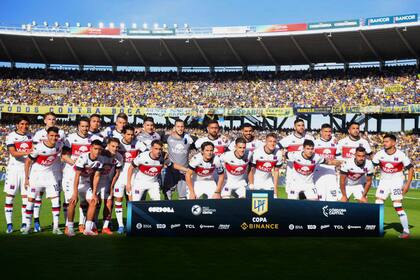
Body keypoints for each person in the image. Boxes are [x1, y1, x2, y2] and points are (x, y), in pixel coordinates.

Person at [62, 117, 101, 232]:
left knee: (86, 202)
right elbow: (64, 156)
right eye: (82, 126)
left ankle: (83, 225)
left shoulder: (93, 139)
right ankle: (68, 226)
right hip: (71, 175)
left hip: (85, 177)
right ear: (78, 126)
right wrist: (77, 163)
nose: (85, 128)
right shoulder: (70, 139)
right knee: (72, 201)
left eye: (86, 126)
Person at [372, 134, 414, 239]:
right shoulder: (379, 154)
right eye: (384, 141)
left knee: (397, 205)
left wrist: (407, 184)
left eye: (387, 141)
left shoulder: (401, 155)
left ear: (393, 143)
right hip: (383, 181)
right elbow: (372, 166)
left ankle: (406, 231)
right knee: (378, 203)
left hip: (397, 181)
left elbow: (410, 168)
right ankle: (378, 228)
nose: (384, 143)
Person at [23, 127, 63, 235]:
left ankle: (56, 227)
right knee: (31, 200)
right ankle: (27, 227)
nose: (54, 138)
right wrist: (26, 178)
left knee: (56, 199)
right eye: (51, 135)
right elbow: (27, 162)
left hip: (50, 175)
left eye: (56, 136)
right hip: (36, 175)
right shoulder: (39, 147)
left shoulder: (59, 145)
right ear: (47, 135)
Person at [32, 112, 66, 232]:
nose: (52, 121)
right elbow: (35, 152)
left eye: (54, 119)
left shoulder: (61, 133)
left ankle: (55, 223)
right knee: (38, 195)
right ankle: (36, 221)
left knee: (57, 196)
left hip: (56, 168)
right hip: (42, 169)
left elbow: (64, 150)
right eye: (49, 119)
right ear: (45, 121)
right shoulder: (38, 134)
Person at [65, 140, 104, 237]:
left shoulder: (101, 160)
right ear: (91, 148)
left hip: (86, 183)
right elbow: (77, 176)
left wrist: (94, 193)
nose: (97, 151)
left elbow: (96, 177)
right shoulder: (83, 157)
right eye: (95, 149)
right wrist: (75, 193)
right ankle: (69, 228)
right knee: (73, 201)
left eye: (99, 149)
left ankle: (87, 229)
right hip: (72, 181)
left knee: (93, 201)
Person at [87, 138, 123, 235]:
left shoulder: (119, 157)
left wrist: (111, 186)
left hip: (107, 182)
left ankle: (105, 227)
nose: (115, 149)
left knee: (109, 203)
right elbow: (92, 173)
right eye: (113, 146)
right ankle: (92, 226)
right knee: (94, 203)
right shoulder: (100, 154)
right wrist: (92, 187)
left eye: (117, 147)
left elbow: (117, 173)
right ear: (108, 145)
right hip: (95, 181)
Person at [4, 116, 33, 233]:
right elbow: (13, 153)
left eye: (26, 124)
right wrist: (28, 151)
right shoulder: (11, 136)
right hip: (13, 170)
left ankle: (24, 223)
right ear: (17, 125)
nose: (24, 126)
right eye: (22, 124)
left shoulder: (31, 136)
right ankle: (9, 225)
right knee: (10, 196)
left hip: (27, 170)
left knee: (26, 198)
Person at [113, 125, 143, 234]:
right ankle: (121, 225)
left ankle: (131, 224)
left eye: (132, 134)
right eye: (128, 134)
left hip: (133, 177)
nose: (130, 136)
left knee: (132, 201)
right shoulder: (118, 144)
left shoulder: (138, 143)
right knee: (118, 200)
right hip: (119, 177)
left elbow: (147, 152)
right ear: (123, 134)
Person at [279, 119, 314, 199]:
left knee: (308, 199)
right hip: (292, 173)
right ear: (294, 127)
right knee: (292, 199)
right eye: (299, 125)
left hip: (306, 173)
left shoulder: (309, 137)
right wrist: (283, 152)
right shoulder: (289, 138)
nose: (301, 127)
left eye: (302, 125)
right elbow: (278, 145)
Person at [162, 119, 195, 200]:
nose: (180, 128)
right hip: (171, 171)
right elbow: (155, 144)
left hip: (184, 172)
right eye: (178, 126)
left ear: (184, 128)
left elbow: (202, 146)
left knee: (183, 198)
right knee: (167, 196)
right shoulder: (168, 137)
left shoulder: (189, 139)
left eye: (182, 126)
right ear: (174, 127)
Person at [248, 133, 282, 198]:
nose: (272, 143)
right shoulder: (257, 152)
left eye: (274, 141)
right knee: (253, 204)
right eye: (270, 141)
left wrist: (275, 188)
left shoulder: (279, 153)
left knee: (274, 199)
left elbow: (276, 171)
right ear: (266, 141)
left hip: (268, 180)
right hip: (256, 180)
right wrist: (251, 184)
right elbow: (251, 170)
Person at [314, 123, 340, 201]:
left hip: (331, 174)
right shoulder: (315, 143)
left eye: (329, 131)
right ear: (321, 132)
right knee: (319, 199)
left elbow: (338, 159)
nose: (328, 133)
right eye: (325, 131)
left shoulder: (335, 144)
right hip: (318, 174)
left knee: (332, 199)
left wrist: (338, 166)